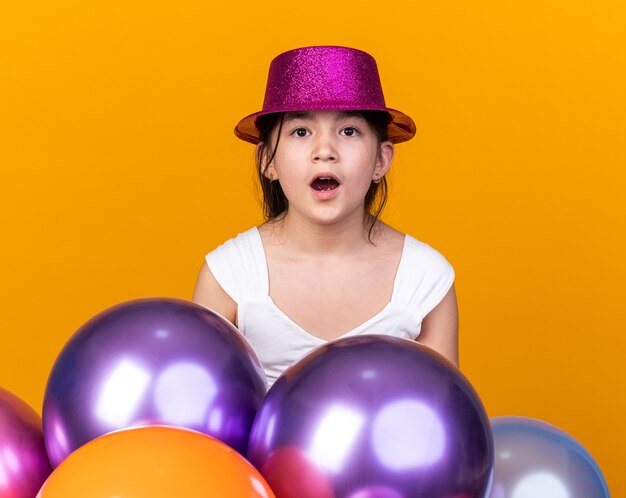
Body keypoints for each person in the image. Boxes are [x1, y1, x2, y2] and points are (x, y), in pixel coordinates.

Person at [193, 46, 458, 386]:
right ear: (267, 162)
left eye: (349, 131)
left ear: (381, 160)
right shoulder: (228, 276)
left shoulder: (425, 279)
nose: (325, 152)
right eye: (301, 132)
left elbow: (446, 420)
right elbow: (200, 420)